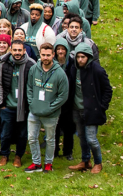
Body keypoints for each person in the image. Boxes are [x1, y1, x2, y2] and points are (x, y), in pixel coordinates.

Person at [24, 43, 69, 173]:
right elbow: (29, 88)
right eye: (43, 55)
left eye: (48, 55)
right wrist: (31, 103)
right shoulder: (34, 69)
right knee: (32, 137)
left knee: (50, 139)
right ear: (40, 54)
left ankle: (48, 163)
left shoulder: (60, 73)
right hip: (34, 111)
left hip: (51, 114)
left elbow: (63, 95)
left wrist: (51, 108)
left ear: (53, 55)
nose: (45, 57)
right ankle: (36, 162)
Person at [67, 43, 111, 174]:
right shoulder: (74, 69)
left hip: (91, 110)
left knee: (91, 139)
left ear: (89, 57)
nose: (80, 59)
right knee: (81, 136)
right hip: (76, 108)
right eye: (78, 57)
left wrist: (102, 107)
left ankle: (98, 162)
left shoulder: (97, 70)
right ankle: (85, 161)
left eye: (83, 57)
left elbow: (108, 90)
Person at [0, 39, 35, 168]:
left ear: (24, 50)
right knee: (5, 133)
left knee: (22, 134)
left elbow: (33, 86)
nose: (17, 53)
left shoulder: (31, 64)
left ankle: (18, 156)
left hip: (24, 107)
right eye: (15, 50)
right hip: (8, 106)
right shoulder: (4, 63)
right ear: (10, 50)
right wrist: (1, 103)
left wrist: (30, 105)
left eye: (19, 50)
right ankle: (4, 154)